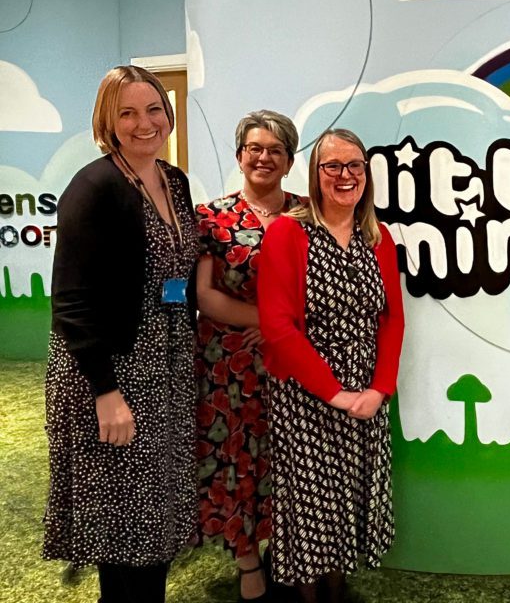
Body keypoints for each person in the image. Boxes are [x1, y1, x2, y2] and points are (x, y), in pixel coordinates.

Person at [43, 66, 199, 603]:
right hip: (111, 375)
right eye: (126, 113)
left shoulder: (173, 181)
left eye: (153, 109)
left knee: (154, 520)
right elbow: (70, 300)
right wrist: (105, 393)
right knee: (121, 527)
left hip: (166, 369)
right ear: (107, 122)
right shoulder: (93, 186)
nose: (143, 123)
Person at [257, 128, 405, 603]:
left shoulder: (377, 238)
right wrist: (335, 393)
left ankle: (338, 591)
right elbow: (277, 326)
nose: (345, 176)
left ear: (367, 173)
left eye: (355, 165)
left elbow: (393, 319)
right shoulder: (288, 231)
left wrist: (379, 389)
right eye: (332, 166)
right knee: (309, 511)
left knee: (348, 506)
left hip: (367, 396)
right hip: (305, 398)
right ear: (315, 174)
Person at [194, 110, 305, 601]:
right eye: (255, 148)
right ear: (240, 155)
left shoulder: (310, 214)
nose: (264, 157)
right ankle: (247, 564)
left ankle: (288, 553)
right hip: (227, 363)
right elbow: (205, 296)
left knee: (289, 461)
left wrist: (286, 326)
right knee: (235, 460)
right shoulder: (211, 216)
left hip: (295, 361)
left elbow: (322, 288)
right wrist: (265, 320)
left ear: (289, 160)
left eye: (275, 150)